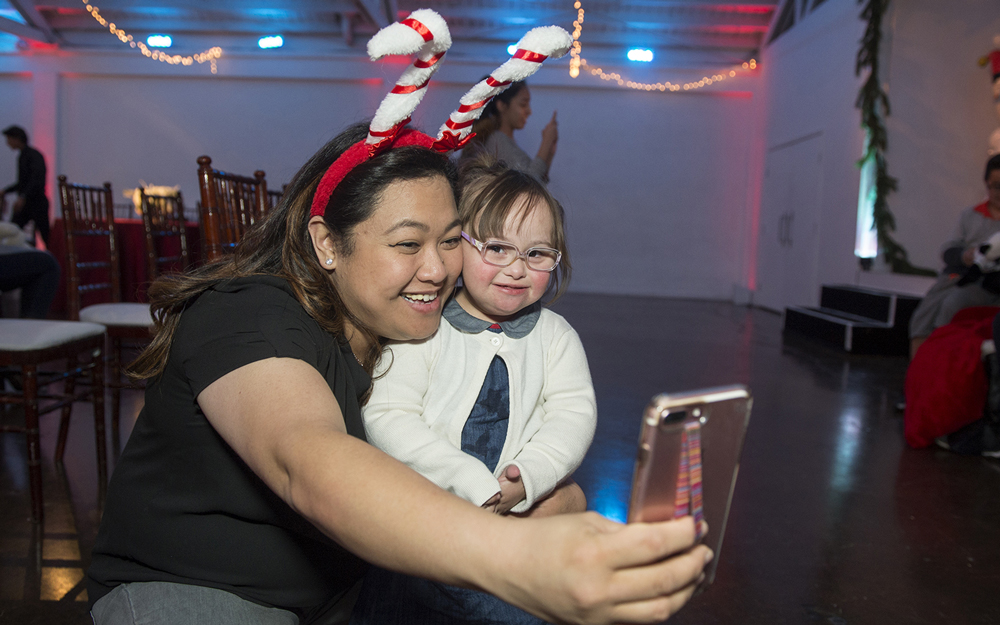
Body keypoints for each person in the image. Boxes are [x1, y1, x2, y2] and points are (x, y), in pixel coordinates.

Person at [85, 122, 710, 625]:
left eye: (449, 241)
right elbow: (308, 462)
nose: (437, 269)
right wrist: (518, 555)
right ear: (327, 244)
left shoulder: (410, 331)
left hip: (346, 588)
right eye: (408, 244)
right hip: (204, 592)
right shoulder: (250, 313)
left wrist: (553, 499)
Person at [351, 159, 595, 624]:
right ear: (460, 246)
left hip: (511, 535)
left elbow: (573, 415)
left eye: (538, 254)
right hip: (420, 529)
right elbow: (387, 415)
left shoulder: (556, 337)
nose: (517, 269)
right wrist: (470, 483)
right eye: (497, 248)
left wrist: (530, 475)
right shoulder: (424, 327)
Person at [909, 154, 1000, 358]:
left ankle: (942, 367)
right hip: (960, 274)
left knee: (953, 305)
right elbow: (949, 249)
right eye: (996, 186)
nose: (999, 192)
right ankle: (919, 375)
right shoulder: (970, 215)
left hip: (989, 283)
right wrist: (965, 256)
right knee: (923, 314)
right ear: (987, 184)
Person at [459, 81, 558, 184]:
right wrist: (546, 143)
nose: (529, 111)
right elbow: (529, 185)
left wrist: (550, 152)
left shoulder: (504, 140)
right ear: (501, 105)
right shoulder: (497, 140)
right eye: (523, 104)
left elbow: (539, 185)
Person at [2, 125, 50, 247]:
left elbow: (35, 180)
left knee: (45, 235)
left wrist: (23, 196)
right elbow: (24, 182)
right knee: (13, 230)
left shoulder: (32, 156)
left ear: (16, 138)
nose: (7, 143)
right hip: (29, 201)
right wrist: (6, 191)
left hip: (36, 202)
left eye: (9, 139)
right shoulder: (24, 156)